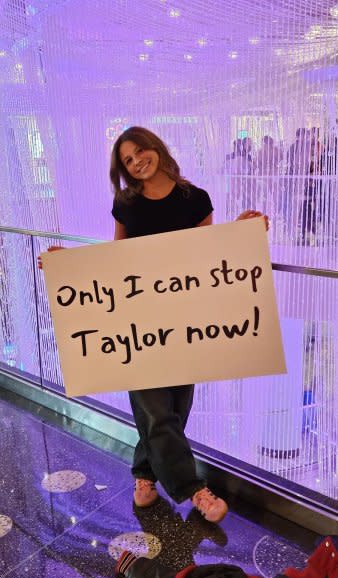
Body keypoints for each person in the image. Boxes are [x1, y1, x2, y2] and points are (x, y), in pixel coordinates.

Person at [39, 126, 268, 524]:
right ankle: (192, 489)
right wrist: (68, 265)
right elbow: (116, 260)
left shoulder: (194, 198)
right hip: (137, 323)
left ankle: (144, 476)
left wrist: (243, 232)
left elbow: (209, 255)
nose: (136, 161)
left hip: (185, 320)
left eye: (139, 151)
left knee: (175, 407)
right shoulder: (126, 203)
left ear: (156, 148)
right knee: (155, 409)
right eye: (127, 160)